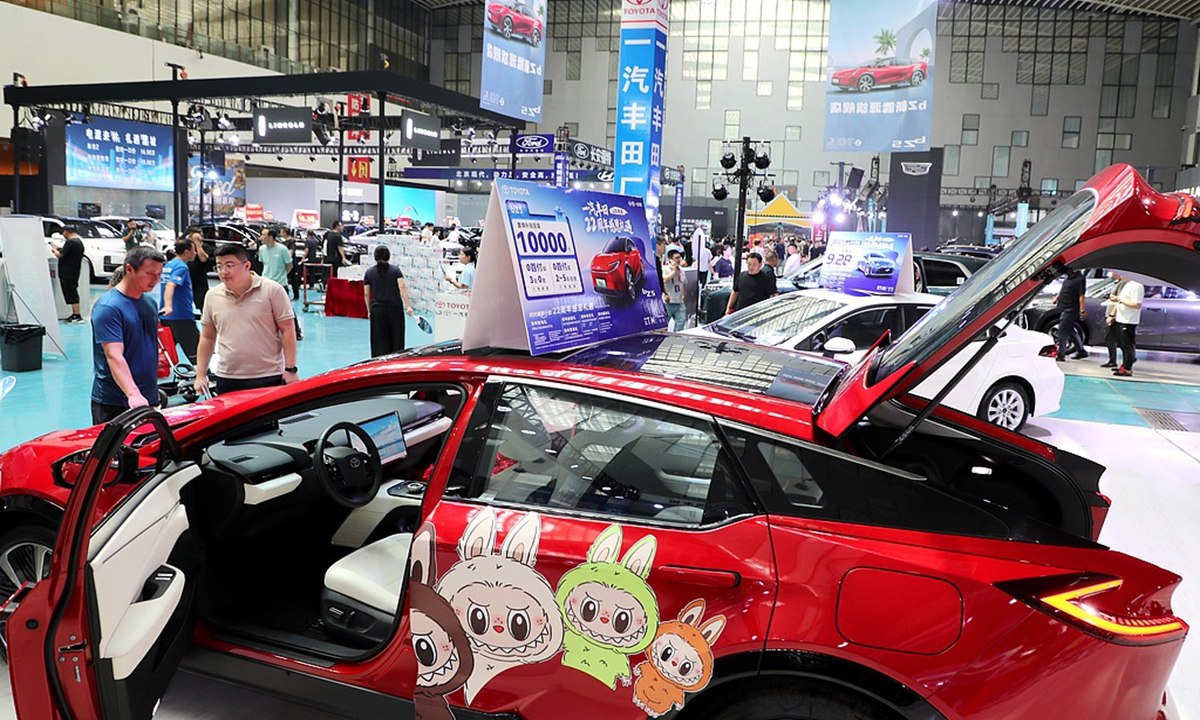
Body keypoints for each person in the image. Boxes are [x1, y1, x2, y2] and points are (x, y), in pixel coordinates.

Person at [194, 244, 298, 396]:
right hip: (227, 376)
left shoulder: (272, 290)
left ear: (247, 266)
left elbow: (287, 329)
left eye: (230, 265)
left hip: (267, 376)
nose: (224, 272)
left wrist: (291, 369)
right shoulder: (212, 296)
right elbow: (207, 337)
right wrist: (201, 374)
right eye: (219, 266)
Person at [90, 246, 166, 424]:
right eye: (149, 274)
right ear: (129, 269)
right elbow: (114, 355)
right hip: (116, 401)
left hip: (147, 396)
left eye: (159, 274)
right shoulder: (109, 307)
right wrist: (133, 394)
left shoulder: (149, 302)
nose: (155, 280)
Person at [363, 245, 414, 357]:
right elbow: (402, 287)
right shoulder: (396, 270)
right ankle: (396, 360)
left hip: (377, 309)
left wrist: (369, 310)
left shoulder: (369, 272)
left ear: (375, 257)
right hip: (395, 308)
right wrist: (408, 306)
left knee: (379, 339)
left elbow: (366, 293)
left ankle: (379, 364)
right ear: (388, 256)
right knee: (396, 337)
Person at [159, 238, 201, 363]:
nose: (195, 253)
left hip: (167, 318)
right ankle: (205, 376)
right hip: (180, 317)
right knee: (197, 351)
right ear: (187, 252)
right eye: (194, 250)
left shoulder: (169, 265)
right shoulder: (181, 267)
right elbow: (171, 285)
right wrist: (168, 306)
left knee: (168, 353)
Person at [1111, 272, 1144, 377]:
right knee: (1121, 343)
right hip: (1121, 318)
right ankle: (1125, 363)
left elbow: (1137, 304)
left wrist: (1120, 299)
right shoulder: (1127, 284)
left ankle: (1127, 368)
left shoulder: (1137, 286)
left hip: (1129, 320)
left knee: (1127, 345)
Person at [1053, 267, 1088, 361]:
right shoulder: (1068, 277)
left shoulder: (1080, 279)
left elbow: (1081, 295)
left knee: (1062, 332)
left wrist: (1082, 310)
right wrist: (1057, 297)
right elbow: (1064, 288)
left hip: (1071, 309)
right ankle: (1081, 351)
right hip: (1064, 306)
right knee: (1070, 330)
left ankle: (1061, 355)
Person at [52, 226, 86, 324]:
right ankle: (75, 313)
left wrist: (54, 250)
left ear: (66, 232)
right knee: (72, 291)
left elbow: (60, 255)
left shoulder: (70, 242)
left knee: (71, 293)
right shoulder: (78, 242)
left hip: (67, 272)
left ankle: (77, 315)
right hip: (74, 271)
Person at [1101, 272, 1129, 369]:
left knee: (1111, 338)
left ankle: (1117, 360)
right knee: (1115, 339)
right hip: (1114, 314)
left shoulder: (1122, 284)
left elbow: (1119, 300)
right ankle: (1127, 358)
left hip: (1115, 315)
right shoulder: (1118, 283)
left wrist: (1112, 315)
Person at [186, 230, 214, 313]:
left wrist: (197, 244)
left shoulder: (205, 247)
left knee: (203, 304)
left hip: (199, 280)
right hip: (187, 278)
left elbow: (203, 258)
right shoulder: (186, 247)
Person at [662, 248, 686, 331]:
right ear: (670, 259)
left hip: (679, 301)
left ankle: (677, 339)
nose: (679, 260)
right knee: (664, 324)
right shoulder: (665, 269)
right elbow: (664, 280)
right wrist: (673, 271)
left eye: (679, 257)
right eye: (676, 258)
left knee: (681, 322)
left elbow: (684, 284)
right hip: (669, 301)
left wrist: (684, 295)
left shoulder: (682, 271)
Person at [280, 227, 303, 300]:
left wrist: (287, 259)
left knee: (293, 279)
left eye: (281, 232)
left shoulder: (291, 241)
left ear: (284, 232)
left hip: (291, 263)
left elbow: (291, 252)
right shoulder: (284, 242)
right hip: (284, 263)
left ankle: (296, 295)